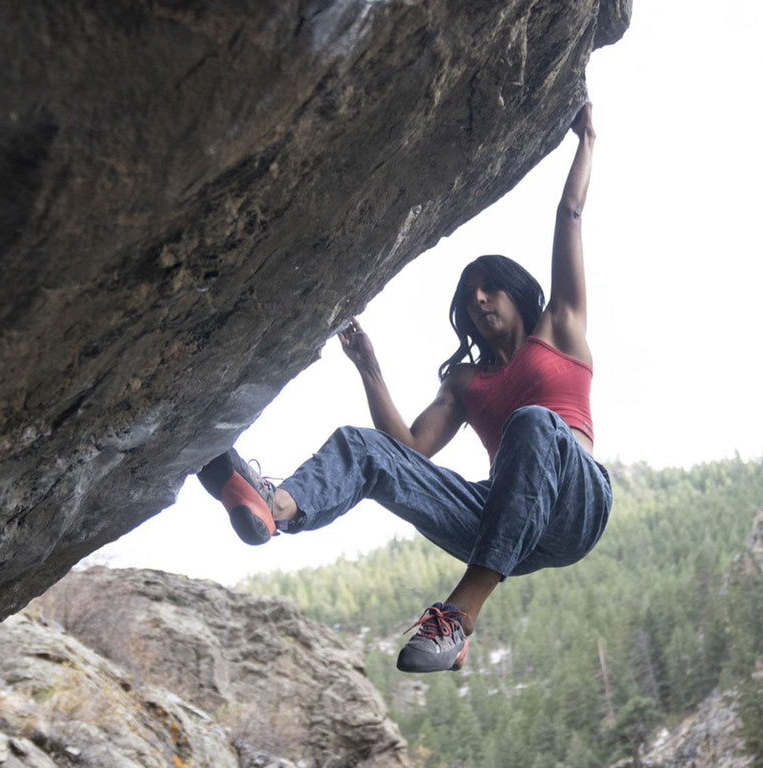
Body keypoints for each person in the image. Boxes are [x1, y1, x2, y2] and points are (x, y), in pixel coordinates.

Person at [196, 102, 607, 674]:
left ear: (517, 291)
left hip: (577, 504)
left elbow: (571, 213)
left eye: (489, 289)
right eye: (469, 298)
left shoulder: (560, 328)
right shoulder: (465, 382)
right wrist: (369, 368)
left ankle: (458, 619)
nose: (479, 301)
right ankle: (275, 507)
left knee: (533, 422)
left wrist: (587, 138)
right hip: (507, 526)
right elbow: (409, 453)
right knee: (361, 446)